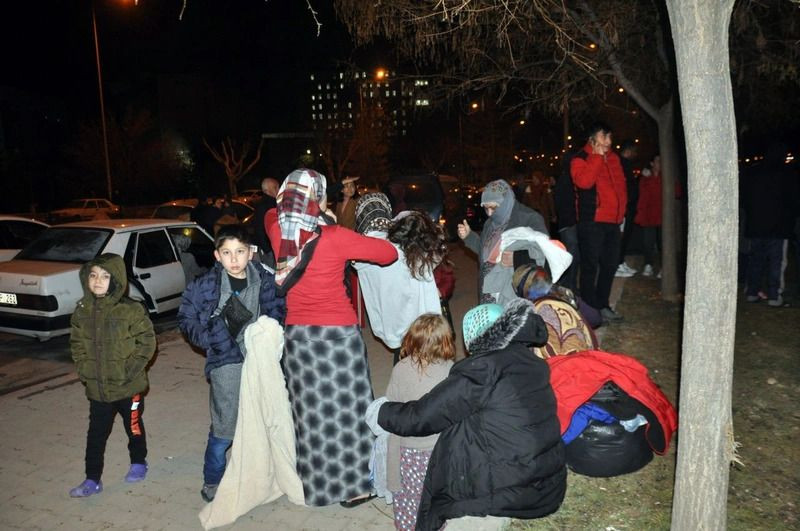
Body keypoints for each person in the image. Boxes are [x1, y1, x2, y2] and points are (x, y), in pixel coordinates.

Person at [371, 299, 566, 531]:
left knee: (453, 429)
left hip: (511, 494)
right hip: (547, 486)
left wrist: (381, 411)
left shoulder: (482, 370)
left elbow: (422, 418)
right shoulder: (530, 361)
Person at [264, 168, 398, 507]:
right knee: (349, 411)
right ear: (319, 199)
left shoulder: (278, 229)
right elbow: (389, 254)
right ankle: (354, 488)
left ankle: (317, 485)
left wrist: (302, 212)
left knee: (312, 411)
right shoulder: (335, 236)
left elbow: (271, 212)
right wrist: (324, 219)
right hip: (338, 337)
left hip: (298, 337)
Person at [177, 224, 286, 503]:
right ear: (217, 255)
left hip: (258, 359)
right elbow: (186, 317)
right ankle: (213, 479)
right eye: (227, 253)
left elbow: (278, 309)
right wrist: (210, 338)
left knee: (261, 419)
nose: (234, 259)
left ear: (250, 253)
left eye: (240, 251)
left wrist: (271, 331)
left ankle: (257, 474)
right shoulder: (205, 285)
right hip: (225, 360)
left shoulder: (264, 279)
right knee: (225, 425)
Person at [68, 253, 157, 498]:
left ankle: (139, 461)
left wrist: (130, 369)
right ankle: (92, 479)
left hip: (129, 386)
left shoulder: (130, 310)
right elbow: (76, 344)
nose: (98, 281)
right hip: (98, 388)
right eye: (93, 275)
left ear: (117, 280)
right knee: (95, 435)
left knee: (134, 427)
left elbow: (147, 342)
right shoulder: (82, 310)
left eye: (105, 276)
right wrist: (85, 370)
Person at [384, 314, 456, 531]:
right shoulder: (450, 370)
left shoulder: (400, 368)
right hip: (438, 451)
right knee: (433, 497)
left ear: (411, 339)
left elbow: (391, 404)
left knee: (408, 498)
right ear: (446, 341)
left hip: (407, 451)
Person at [353, 196, 445, 365]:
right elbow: (435, 255)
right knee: (424, 362)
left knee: (404, 360)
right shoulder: (401, 239)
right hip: (418, 315)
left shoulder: (359, 249)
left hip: (391, 320)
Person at [457, 179, 549, 303]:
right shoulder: (491, 223)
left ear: (505, 201)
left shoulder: (529, 219)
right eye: (486, 208)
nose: (489, 213)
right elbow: (485, 254)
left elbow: (547, 254)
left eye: (494, 208)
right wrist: (469, 236)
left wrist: (516, 258)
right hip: (488, 290)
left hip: (512, 293)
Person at [571, 122, 627, 322]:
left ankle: (603, 305)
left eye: (610, 137)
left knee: (610, 265)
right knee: (590, 267)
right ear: (593, 139)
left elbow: (621, 187)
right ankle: (589, 310)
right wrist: (596, 157)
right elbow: (584, 182)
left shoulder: (614, 158)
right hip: (592, 222)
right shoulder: (580, 158)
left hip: (613, 222)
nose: (609, 142)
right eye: (605, 137)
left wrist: (621, 213)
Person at [742, 142, 799, 307]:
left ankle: (752, 292)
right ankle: (774, 295)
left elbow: (746, 198)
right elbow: (793, 201)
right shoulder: (787, 174)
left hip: (757, 226)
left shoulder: (754, 172)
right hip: (779, 228)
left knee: (756, 259)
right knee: (777, 261)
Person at [635, 155, 663, 278]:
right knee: (648, 242)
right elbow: (642, 196)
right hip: (648, 215)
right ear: (652, 163)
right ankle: (648, 264)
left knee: (663, 242)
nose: (660, 163)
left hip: (662, 215)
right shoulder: (646, 178)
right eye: (658, 161)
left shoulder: (666, 177)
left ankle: (664, 267)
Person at [616, 140, 639, 277]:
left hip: (628, 208)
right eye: (634, 151)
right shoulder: (622, 165)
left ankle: (620, 261)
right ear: (628, 151)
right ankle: (617, 264)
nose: (635, 155)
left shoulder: (626, 165)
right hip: (625, 209)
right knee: (621, 237)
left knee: (625, 237)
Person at [251, 177, 279, 266]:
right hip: (270, 249)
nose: (279, 190)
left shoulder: (265, 204)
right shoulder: (267, 206)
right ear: (272, 189)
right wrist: (268, 250)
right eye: (277, 187)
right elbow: (260, 229)